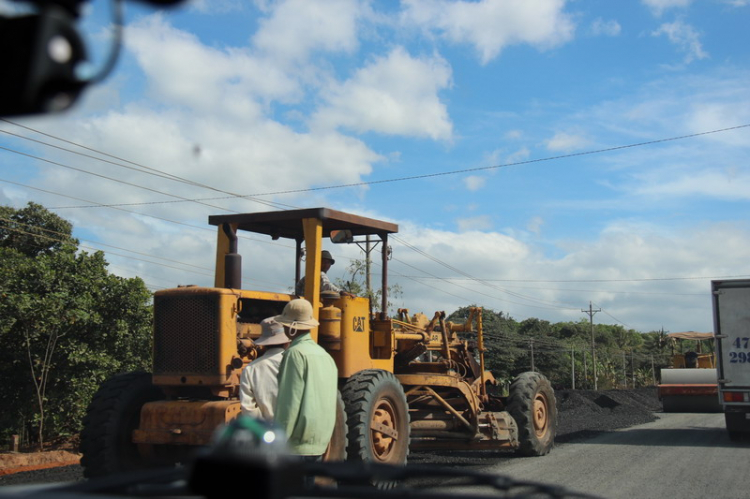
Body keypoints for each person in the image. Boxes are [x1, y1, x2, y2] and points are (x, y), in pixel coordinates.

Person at [273, 299, 338, 461]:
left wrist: (277, 441)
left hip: (295, 445)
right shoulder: (325, 356)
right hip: (320, 442)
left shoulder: (294, 354)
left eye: (285, 325)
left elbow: (289, 403)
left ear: (292, 327)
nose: (284, 328)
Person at [239, 318, 290, 421]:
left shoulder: (250, 369)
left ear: (264, 344)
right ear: (287, 342)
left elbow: (248, 411)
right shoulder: (296, 363)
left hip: (267, 431)